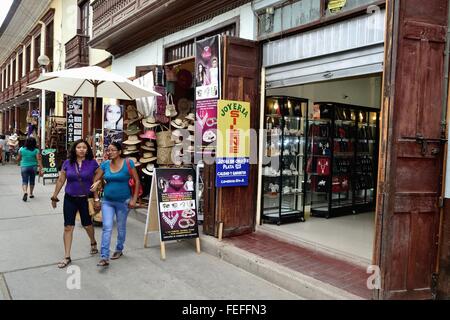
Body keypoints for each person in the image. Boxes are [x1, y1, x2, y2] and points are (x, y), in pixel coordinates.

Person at [51, 139, 100, 269]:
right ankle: (67, 256)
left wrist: (97, 190)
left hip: (85, 199)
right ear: (74, 149)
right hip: (70, 198)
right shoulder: (67, 163)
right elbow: (61, 180)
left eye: (84, 147)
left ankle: (93, 241)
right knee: (68, 227)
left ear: (87, 150)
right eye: (79, 147)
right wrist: (54, 196)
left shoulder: (92, 163)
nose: (82, 149)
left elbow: (100, 176)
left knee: (87, 225)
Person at [91, 142, 140, 267]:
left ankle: (119, 249)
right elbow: (95, 179)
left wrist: (134, 199)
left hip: (123, 202)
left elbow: (137, 180)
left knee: (121, 227)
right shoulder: (105, 164)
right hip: (107, 201)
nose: (110, 152)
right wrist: (96, 197)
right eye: (108, 150)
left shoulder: (128, 163)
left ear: (119, 152)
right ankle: (104, 256)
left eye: (113, 150)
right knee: (106, 227)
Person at [16, 137, 43, 201]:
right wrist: (41, 168)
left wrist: (16, 160)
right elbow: (38, 159)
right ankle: (31, 193)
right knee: (32, 180)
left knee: (24, 180)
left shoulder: (21, 149)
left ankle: (25, 192)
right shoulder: (36, 150)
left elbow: (18, 159)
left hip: (24, 167)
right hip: (33, 167)